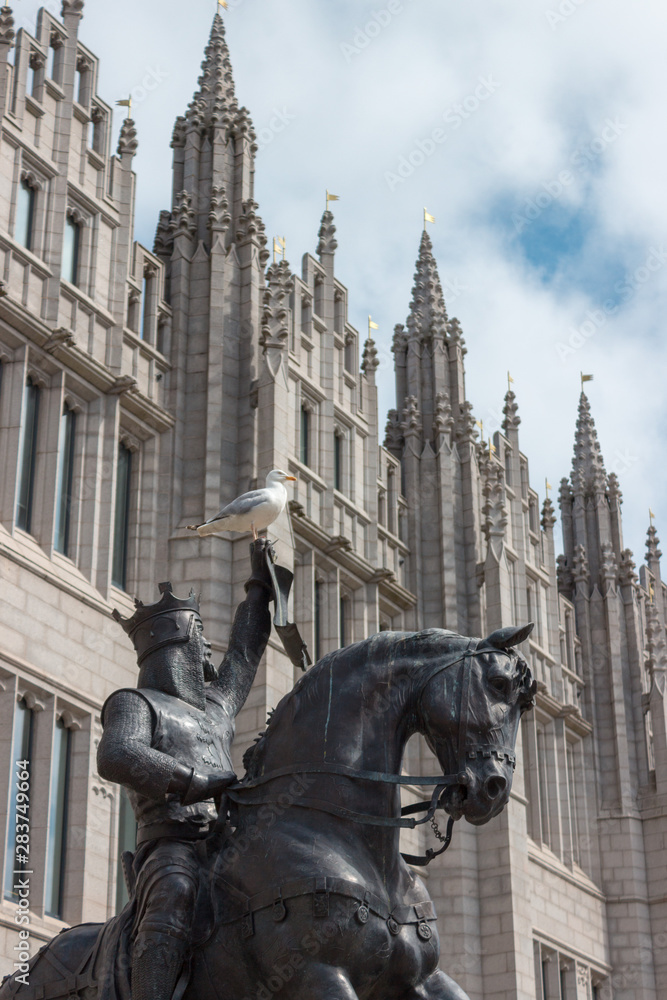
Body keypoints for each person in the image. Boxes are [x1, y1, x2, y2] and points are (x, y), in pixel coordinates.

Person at [97, 539, 273, 1000]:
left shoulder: (215, 709)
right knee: (175, 890)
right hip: (171, 846)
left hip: (227, 842)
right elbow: (116, 754)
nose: (209, 657)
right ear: (179, 649)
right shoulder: (134, 703)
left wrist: (259, 587)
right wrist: (194, 782)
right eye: (201, 644)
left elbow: (244, 654)